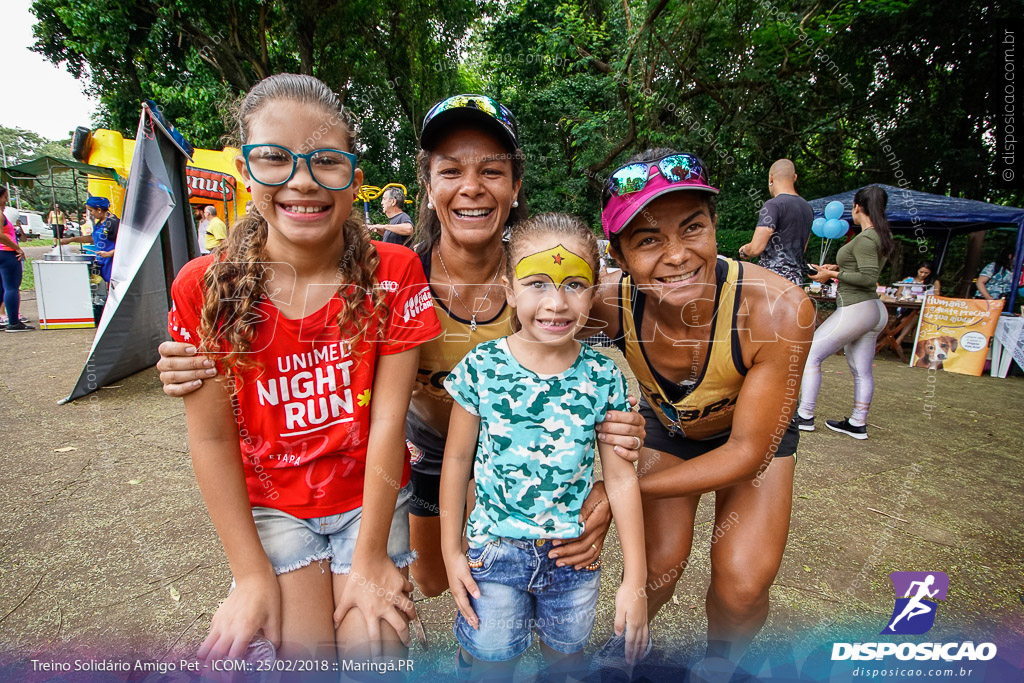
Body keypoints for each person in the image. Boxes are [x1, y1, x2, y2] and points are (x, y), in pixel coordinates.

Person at [155, 93, 646, 601]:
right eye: (451, 171)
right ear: (429, 188)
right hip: (433, 452)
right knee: (433, 580)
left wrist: (617, 461)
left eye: (493, 172)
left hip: (529, 457)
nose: (471, 187)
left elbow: (659, 358)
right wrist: (194, 360)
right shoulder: (392, 277)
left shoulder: (556, 285)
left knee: (500, 585)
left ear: (516, 186)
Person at [168, 73, 443, 663]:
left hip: (370, 499)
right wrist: (250, 576)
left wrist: (370, 557)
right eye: (274, 159)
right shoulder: (203, 286)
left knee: (374, 653)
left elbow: (389, 424)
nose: (302, 181)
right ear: (244, 171)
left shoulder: (392, 271)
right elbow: (212, 437)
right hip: (274, 505)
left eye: (326, 161)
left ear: (355, 181)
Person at [577, 148, 813, 677]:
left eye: (692, 228)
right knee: (659, 565)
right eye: (648, 239)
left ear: (714, 227)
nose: (678, 254)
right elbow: (522, 328)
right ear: (617, 255)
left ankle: (719, 665)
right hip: (671, 426)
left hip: (754, 438)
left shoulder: (778, 308)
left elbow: (749, 452)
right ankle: (625, 652)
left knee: (743, 584)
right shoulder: (608, 303)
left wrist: (624, 490)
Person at [441, 214, 648, 682]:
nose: (556, 303)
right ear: (509, 289)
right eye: (537, 283)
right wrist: (451, 552)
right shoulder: (480, 366)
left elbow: (620, 477)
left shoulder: (604, 376)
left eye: (575, 284)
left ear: (595, 291)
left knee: (566, 664)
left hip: (572, 559)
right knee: (492, 666)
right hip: (492, 554)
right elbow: (456, 461)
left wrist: (634, 580)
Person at [794, 185, 894, 440]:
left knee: (811, 354)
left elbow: (868, 277)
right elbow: (862, 267)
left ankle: (804, 416)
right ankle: (857, 422)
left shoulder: (865, 238)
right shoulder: (880, 236)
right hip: (872, 310)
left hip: (857, 307)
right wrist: (836, 266)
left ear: (857, 207)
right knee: (861, 370)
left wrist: (831, 274)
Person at [739, 159, 813, 286]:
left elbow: (756, 248)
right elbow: (803, 248)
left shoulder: (773, 205)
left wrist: (745, 250)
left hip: (771, 282)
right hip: (796, 282)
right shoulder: (807, 208)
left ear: (771, 178)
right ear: (795, 177)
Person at [61, 196, 120, 324]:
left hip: (113, 263)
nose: (91, 214)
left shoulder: (113, 223)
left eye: (91, 211)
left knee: (115, 291)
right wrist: (71, 240)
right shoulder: (99, 223)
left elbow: (125, 243)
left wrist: (110, 253)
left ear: (99, 209)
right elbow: (92, 238)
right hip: (102, 263)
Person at [0, 187, 33, 332]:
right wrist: (17, 248)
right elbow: (1, 235)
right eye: (5, 197)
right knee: (12, 287)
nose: (6, 200)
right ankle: (13, 322)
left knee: (2, 288)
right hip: (6, 253)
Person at [894, 261, 941, 346]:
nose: (923, 275)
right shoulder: (908, 280)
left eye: (926, 273)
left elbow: (937, 297)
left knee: (917, 316)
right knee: (915, 315)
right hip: (905, 308)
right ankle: (900, 340)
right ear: (917, 270)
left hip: (925, 309)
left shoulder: (934, 282)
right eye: (921, 272)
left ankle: (901, 339)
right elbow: (898, 294)